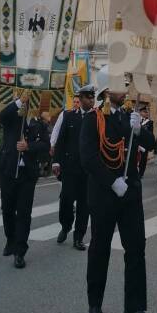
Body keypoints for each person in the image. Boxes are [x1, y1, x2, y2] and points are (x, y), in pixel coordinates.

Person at [79, 66, 157, 313]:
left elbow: (151, 144)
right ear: (105, 89)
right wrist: (112, 181)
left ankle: (134, 310)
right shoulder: (92, 119)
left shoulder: (129, 116)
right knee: (100, 250)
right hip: (105, 193)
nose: (125, 87)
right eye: (119, 84)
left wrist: (140, 130)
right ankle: (94, 305)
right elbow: (88, 157)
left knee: (136, 250)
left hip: (130, 193)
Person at [0, 92, 50, 269]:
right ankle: (10, 239)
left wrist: (29, 147)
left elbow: (45, 145)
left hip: (27, 174)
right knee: (7, 209)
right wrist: (19, 101)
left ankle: (20, 251)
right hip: (9, 170)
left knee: (24, 213)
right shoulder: (13, 117)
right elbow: (0, 118)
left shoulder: (37, 123)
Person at [52, 85, 95, 250]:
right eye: (88, 98)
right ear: (81, 99)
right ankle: (65, 225)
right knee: (66, 201)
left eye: (93, 97)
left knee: (85, 205)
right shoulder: (69, 116)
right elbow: (61, 140)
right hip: (70, 168)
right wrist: (56, 162)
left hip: (88, 171)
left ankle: (79, 237)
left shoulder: (97, 117)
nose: (91, 100)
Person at [137, 105, 154, 178]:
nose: (146, 113)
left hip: (144, 144)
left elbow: (150, 134)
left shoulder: (149, 122)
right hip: (137, 143)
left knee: (143, 159)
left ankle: (141, 173)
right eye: (144, 112)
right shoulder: (137, 121)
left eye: (146, 112)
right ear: (140, 112)